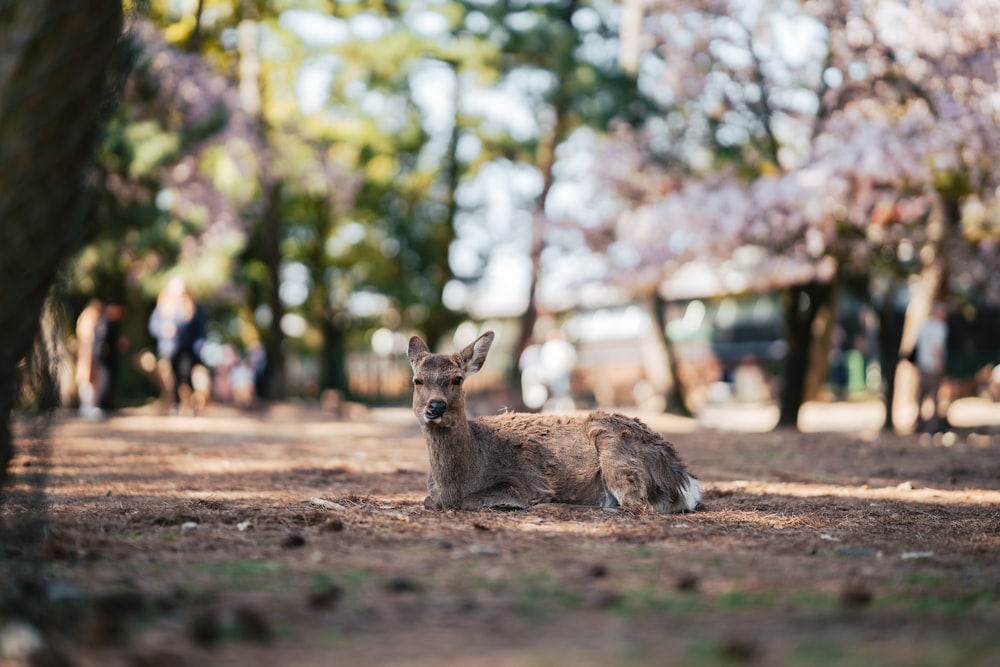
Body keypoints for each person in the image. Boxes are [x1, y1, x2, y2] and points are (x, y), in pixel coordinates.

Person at [148, 278, 208, 414]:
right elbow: (153, 325)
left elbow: (200, 330)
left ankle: (191, 402)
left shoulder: (193, 307)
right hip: (169, 348)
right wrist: (163, 329)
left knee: (186, 374)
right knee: (172, 376)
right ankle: (175, 404)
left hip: (187, 348)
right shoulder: (163, 307)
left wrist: (199, 346)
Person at [913, 302, 948, 432]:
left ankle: (919, 424)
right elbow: (938, 348)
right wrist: (940, 364)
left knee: (921, 397)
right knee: (935, 397)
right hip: (933, 366)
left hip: (922, 366)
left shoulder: (923, 326)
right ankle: (933, 426)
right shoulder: (940, 327)